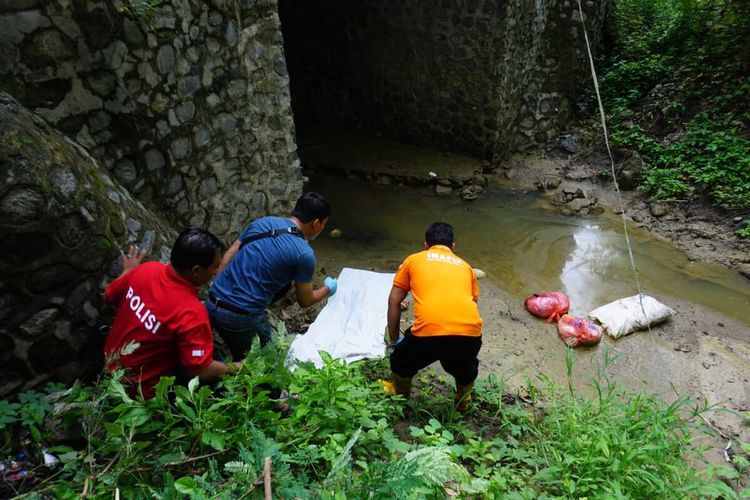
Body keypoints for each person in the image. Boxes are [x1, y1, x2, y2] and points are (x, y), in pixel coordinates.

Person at [103, 227, 240, 399]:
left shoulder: (145, 269)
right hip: (138, 393)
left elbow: (109, 295)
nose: (215, 272)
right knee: (215, 384)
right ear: (196, 270)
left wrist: (127, 273)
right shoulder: (191, 312)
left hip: (109, 369)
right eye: (214, 267)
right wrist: (239, 366)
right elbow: (200, 369)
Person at [206, 192, 337, 360]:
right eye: (324, 224)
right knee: (269, 365)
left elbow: (228, 257)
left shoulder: (262, 222)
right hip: (241, 315)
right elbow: (305, 300)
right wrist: (328, 288)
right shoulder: (304, 254)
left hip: (211, 302)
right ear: (316, 223)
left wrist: (222, 288)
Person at [381, 222, 483, 411]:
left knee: (400, 361)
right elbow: (473, 305)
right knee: (466, 369)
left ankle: (399, 394)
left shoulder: (414, 259)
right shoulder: (466, 267)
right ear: (453, 247)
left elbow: (394, 301)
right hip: (469, 333)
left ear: (426, 245)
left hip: (428, 332)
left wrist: (395, 341)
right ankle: (463, 402)